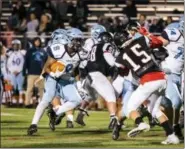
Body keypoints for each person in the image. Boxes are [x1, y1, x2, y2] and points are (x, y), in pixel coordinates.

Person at [113, 22, 179, 144]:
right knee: (155, 111)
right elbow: (159, 43)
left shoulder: (119, 57)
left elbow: (122, 70)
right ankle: (171, 136)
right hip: (161, 78)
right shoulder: (141, 41)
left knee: (130, 107)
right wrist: (146, 33)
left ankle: (141, 123)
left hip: (148, 80)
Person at [27, 28, 85, 135]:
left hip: (65, 78)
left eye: (80, 40)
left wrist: (79, 85)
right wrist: (51, 74)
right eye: (76, 40)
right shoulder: (59, 49)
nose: (79, 43)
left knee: (77, 100)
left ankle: (56, 112)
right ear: (69, 39)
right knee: (47, 98)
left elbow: (76, 70)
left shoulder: (80, 53)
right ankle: (33, 124)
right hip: (53, 77)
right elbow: (47, 66)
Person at [75, 24, 107, 126]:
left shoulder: (97, 42)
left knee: (91, 95)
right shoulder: (90, 42)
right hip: (87, 69)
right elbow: (85, 55)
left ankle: (80, 114)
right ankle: (62, 113)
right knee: (85, 94)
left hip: (92, 69)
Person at [160, 19, 184, 140]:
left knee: (171, 104)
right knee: (176, 101)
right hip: (168, 72)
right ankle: (173, 129)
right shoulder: (174, 32)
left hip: (180, 74)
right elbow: (159, 42)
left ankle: (173, 128)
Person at [23, 37, 48, 108]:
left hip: (41, 74)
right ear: (33, 42)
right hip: (31, 73)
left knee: (42, 89)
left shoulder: (43, 51)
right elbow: (26, 61)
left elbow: (46, 62)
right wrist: (24, 71)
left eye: (38, 41)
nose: (37, 42)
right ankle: (27, 103)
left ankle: (43, 104)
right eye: (36, 41)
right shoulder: (30, 51)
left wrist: (46, 72)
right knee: (29, 89)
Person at [6, 39, 25, 106]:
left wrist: (19, 70)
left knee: (20, 87)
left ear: (19, 46)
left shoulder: (22, 53)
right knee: (13, 87)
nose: (15, 46)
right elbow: (8, 64)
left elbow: (23, 63)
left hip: (20, 72)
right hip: (12, 72)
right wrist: (12, 71)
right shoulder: (10, 53)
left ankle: (20, 100)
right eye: (14, 45)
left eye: (17, 45)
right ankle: (13, 100)